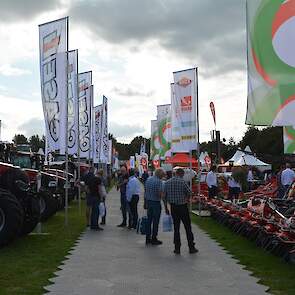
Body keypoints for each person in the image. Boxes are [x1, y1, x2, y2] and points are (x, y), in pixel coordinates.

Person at [163, 168, 198, 255]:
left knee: (176, 228)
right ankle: (191, 247)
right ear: (181, 174)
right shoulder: (182, 182)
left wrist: (166, 208)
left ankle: (177, 248)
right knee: (187, 227)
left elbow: (164, 196)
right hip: (183, 207)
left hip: (173, 207)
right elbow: (189, 193)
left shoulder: (167, 182)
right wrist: (186, 199)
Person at [144, 168, 166, 245]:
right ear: (160, 175)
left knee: (149, 221)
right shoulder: (159, 182)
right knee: (155, 221)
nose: (163, 177)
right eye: (162, 175)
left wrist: (145, 202)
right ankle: (154, 238)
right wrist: (164, 197)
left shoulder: (148, 179)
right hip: (156, 203)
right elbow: (160, 194)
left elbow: (145, 191)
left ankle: (147, 238)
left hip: (149, 202)